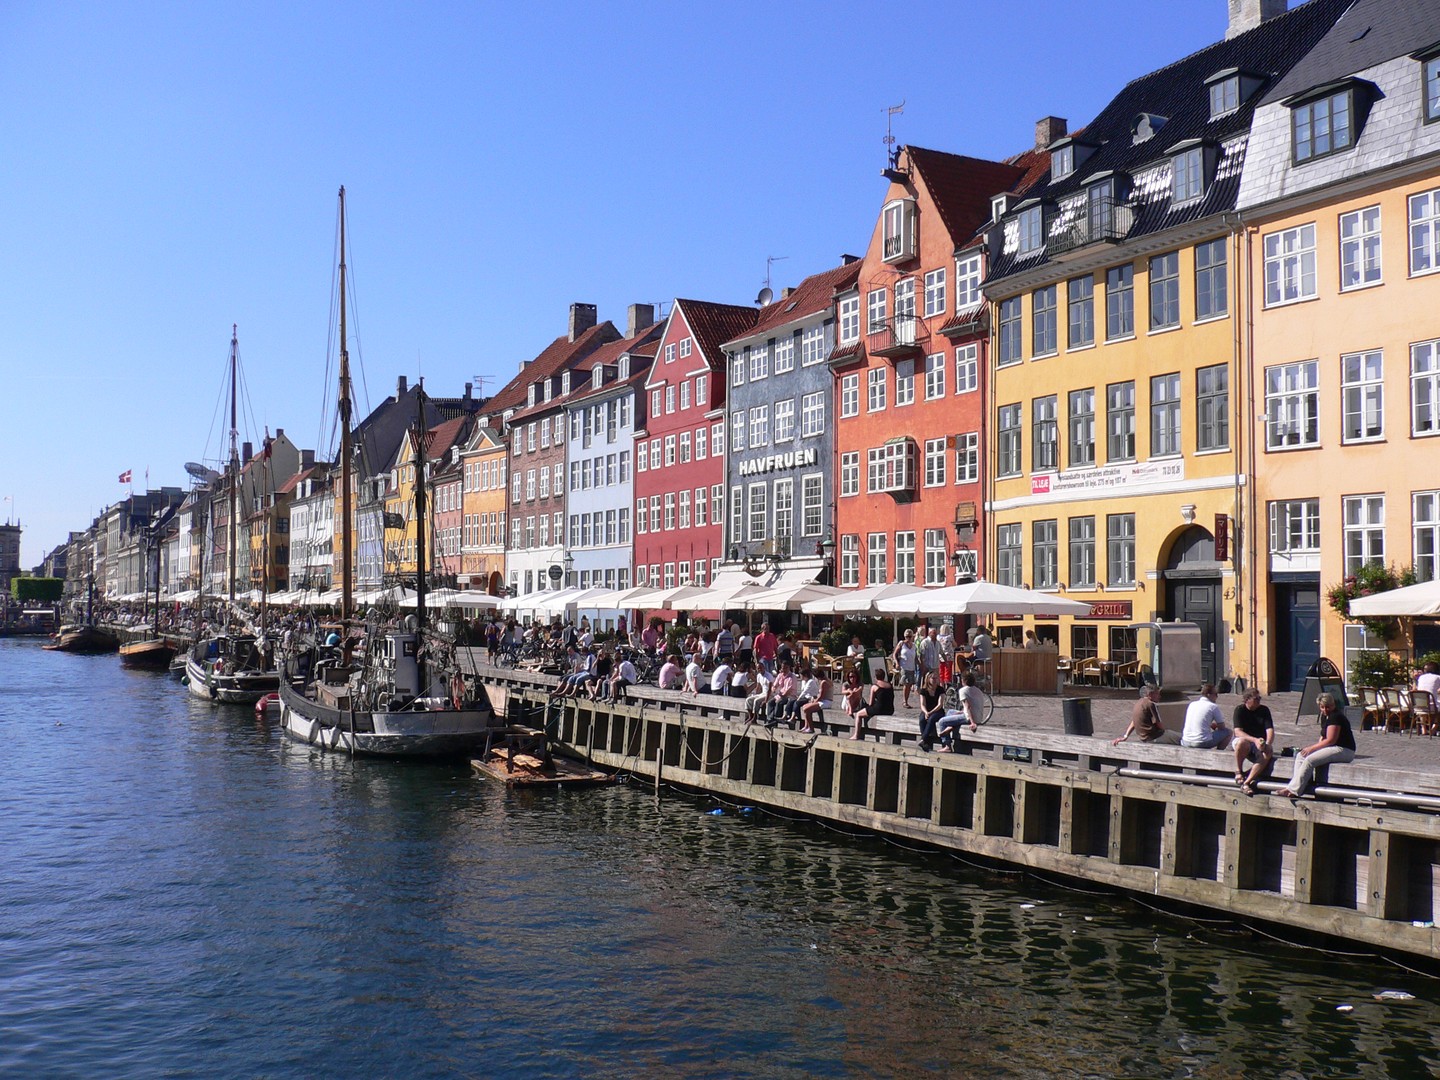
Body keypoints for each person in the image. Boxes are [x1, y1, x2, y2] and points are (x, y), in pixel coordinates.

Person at [1277, 692, 1356, 799]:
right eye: (1322, 707)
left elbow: (1331, 740)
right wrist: (1312, 749)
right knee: (1301, 755)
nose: (1325, 710)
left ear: (1333, 705)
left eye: (1328, 707)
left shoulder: (1336, 717)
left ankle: (1293, 790)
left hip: (1344, 750)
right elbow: (1323, 737)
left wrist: (1312, 748)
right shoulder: (1325, 716)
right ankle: (1302, 784)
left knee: (1310, 760)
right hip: (1332, 748)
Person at [1231, 688, 1276, 794]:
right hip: (1245, 739)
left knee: (1268, 752)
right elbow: (1237, 732)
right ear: (1247, 699)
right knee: (1242, 742)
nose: (1259, 700)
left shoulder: (1264, 710)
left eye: (1259, 698)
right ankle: (1239, 771)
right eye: (1256, 698)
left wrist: (1268, 743)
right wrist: (1254, 740)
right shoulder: (1240, 710)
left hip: (1259, 742)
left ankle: (1246, 782)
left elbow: (1269, 729)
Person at [1113, 685, 1180, 746]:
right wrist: (1166, 731)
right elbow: (1159, 724)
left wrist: (1125, 736)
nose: (1160, 696)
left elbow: (1134, 721)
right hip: (1154, 737)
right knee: (1181, 738)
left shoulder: (1138, 703)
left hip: (1144, 738)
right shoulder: (1150, 704)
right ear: (1150, 694)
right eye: (1157, 694)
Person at [936, 672, 986, 747]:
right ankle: (951, 726)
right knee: (950, 712)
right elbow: (972, 706)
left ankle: (947, 745)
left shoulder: (963, 690)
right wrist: (961, 712)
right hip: (978, 717)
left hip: (970, 718)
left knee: (942, 722)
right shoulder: (978, 691)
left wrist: (972, 722)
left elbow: (968, 706)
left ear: (963, 680)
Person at [1181, 683, 1231, 749]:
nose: (1217, 697)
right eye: (1215, 694)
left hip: (1185, 741)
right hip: (1201, 742)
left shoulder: (1192, 704)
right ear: (1208, 694)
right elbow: (1222, 727)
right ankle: (1219, 753)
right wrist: (1216, 727)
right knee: (1228, 732)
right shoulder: (1213, 706)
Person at [851, 669, 894, 741]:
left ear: (875, 677)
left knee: (858, 714)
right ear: (884, 676)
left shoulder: (874, 686)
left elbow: (871, 703)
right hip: (890, 710)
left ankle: (856, 735)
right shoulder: (890, 685)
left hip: (879, 709)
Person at [917, 671, 947, 751]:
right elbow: (922, 704)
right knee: (922, 719)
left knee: (931, 719)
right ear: (928, 679)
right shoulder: (924, 690)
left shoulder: (940, 690)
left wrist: (931, 712)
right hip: (927, 710)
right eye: (932, 678)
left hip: (938, 711)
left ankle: (923, 739)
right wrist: (926, 712)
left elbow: (940, 704)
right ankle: (926, 743)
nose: (934, 680)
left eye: (936, 678)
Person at [767, 660, 799, 726]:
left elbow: (789, 689)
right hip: (780, 695)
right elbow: (775, 685)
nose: (784, 669)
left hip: (789, 696)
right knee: (770, 702)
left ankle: (775, 720)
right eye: (782, 668)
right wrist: (773, 689)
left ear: (789, 668)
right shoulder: (780, 675)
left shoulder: (792, 677)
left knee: (779, 702)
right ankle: (770, 719)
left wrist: (782, 696)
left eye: (785, 668)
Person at [796, 666, 827, 733]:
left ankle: (811, 728)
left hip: (825, 702)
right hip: (818, 699)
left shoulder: (823, 682)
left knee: (806, 708)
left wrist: (815, 701)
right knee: (804, 707)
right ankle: (806, 726)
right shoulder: (821, 682)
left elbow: (821, 695)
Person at [893, 629, 919, 709]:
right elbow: (895, 654)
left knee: (910, 684)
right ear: (904, 636)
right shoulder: (901, 644)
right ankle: (905, 701)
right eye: (907, 636)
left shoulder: (914, 645)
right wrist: (897, 663)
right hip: (904, 667)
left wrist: (920, 664)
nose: (908, 638)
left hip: (912, 667)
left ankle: (906, 700)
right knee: (906, 684)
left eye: (910, 636)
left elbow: (916, 657)